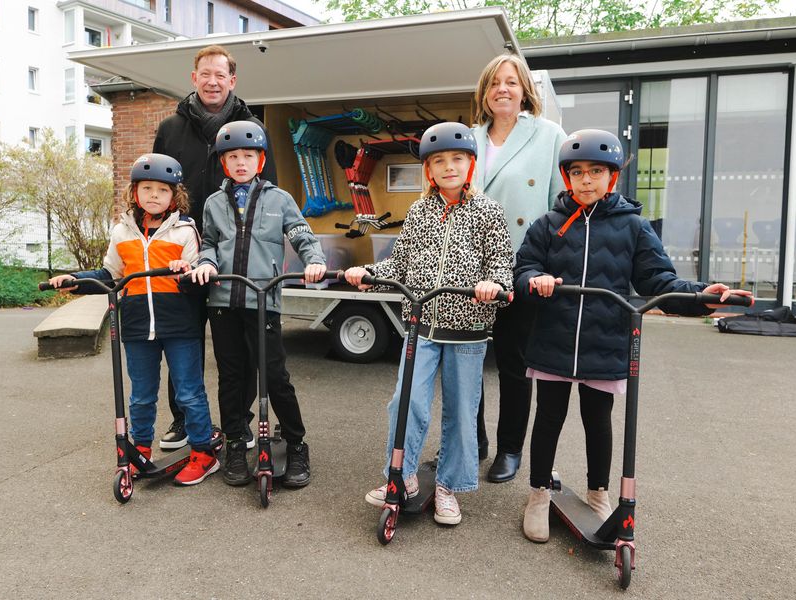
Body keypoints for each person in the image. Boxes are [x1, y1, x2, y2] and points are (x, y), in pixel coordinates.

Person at [514, 129, 752, 542]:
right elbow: (524, 268)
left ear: (613, 176)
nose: (586, 180)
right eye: (576, 172)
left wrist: (703, 297)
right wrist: (535, 279)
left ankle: (598, 493)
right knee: (548, 418)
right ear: (566, 176)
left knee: (597, 420)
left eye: (595, 171)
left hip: (605, 340)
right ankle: (537, 494)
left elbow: (659, 280)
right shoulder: (548, 224)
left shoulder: (634, 227)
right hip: (553, 338)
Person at [344, 122, 515, 525]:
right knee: (406, 402)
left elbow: (502, 265)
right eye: (439, 161)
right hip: (420, 325)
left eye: (456, 159)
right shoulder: (420, 211)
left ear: (470, 165)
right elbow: (400, 263)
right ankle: (401, 476)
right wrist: (367, 271)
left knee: (460, 410)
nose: (448, 167)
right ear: (429, 170)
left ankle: (448, 486)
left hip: (467, 329)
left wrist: (495, 285)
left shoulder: (488, 211)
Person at [48, 154, 220, 486]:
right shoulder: (121, 232)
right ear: (134, 192)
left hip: (180, 324)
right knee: (141, 394)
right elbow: (110, 275)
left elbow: (199, 271)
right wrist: (74, 279)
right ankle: (139, 449)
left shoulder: (185, 230)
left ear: (175, 195)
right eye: (146, 188)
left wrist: (185, 271)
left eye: (162, 190)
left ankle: (203, 453)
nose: (154, 195)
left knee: (188, 392)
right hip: (138, 324)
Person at [153, 44, 277, 450]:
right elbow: (160, 188)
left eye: (220, 75)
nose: (212, 81)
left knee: (238, 352)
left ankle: (236, 424)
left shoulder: (252, 125)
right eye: (205, 74)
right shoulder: (171, 127)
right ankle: (183, 420)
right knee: (183, 338)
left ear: (232, 80)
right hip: (188, 253)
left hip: (238, 257)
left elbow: (270, 191)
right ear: (194, 78)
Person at [190, 120, 326, 488]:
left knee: (275, 376)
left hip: (263, 302)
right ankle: (236, 444)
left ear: (260, 160)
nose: (239, 162)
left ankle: (296, 443)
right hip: (222, 302)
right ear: (223, 162)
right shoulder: (214, 204)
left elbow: (301, 235)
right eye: (232, 156)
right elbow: (208, 244)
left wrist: (314, 260)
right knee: (231, 378)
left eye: (247, 156)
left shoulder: (279, 200)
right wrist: (206, 263)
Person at [470, 53, 568, 483]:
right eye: (494, 83)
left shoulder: (548, 136)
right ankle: (470, 441)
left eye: (511, 82)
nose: (502, 90)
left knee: (513, 365)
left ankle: (510, 448)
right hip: (467, 269)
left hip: (520, 265)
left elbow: (559, 208)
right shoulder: (466, 138)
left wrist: (548, 266)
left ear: (525, 89)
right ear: (484, 92)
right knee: (465, 362)